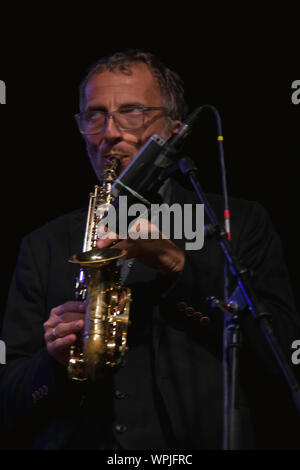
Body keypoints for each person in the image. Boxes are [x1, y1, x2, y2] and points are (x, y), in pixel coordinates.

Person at [0, 49, 299, 451]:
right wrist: (54, 362)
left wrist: (174, 261)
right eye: (94, 115)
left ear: (173, 132)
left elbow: (281, 358)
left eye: (131, 111)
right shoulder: (43, 244)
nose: (109, 132)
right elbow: (9, 402)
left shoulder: (239, 222)